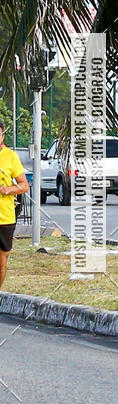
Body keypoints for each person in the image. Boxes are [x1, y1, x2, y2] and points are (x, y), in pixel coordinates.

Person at [0, 120, 29, 288]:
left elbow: (24, 185)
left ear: (2, 136)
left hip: (5, 218)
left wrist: (8, 189)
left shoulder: (10, 156)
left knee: (2, 259)